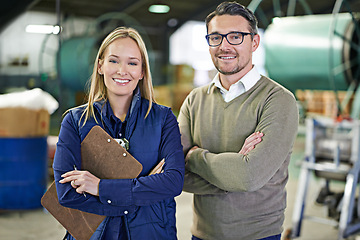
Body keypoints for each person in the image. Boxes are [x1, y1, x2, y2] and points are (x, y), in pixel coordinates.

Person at [177, 2, 299, 240]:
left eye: (235, 37)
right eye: (216, 37)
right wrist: (231, 171)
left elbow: (248, 176)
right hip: (202, 234)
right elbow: (174, 175)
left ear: (254, 42)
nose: (224, 46)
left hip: (259, 235)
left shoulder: (278, 100)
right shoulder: (195, 99)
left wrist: (193, 157)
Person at [53, 27, 185, 240]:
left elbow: (173, 182)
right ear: (100, 66)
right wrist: (139, 194)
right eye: (114, 61)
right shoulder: (76, 121)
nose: (122, 70)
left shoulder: (163, 119)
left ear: (142, 72)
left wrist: (99, 187)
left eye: (132, 63)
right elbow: (66, 194)